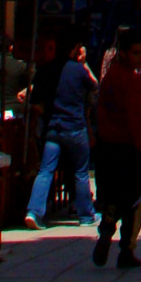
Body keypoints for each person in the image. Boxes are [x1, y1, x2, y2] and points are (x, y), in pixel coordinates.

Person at [93, 27, 141, 267]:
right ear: (123, 53)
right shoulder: (132, 81)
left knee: (110, 195)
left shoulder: (109, 78)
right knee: (134, 201)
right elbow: (136, 120)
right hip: (128, 149)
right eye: (136, 53)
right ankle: (127, 248)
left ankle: (107, 229)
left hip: (107, 146)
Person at [24, 42, 97, 229]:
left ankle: (34, 211)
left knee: (46, 170)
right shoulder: (78, 70)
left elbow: (34, 99)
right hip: (75, 126)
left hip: (53, 128)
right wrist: (84, 63)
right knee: (80, 171)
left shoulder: (45, 69)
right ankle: (86, 215)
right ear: (77, 50)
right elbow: (95, 86)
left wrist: (46, 113)